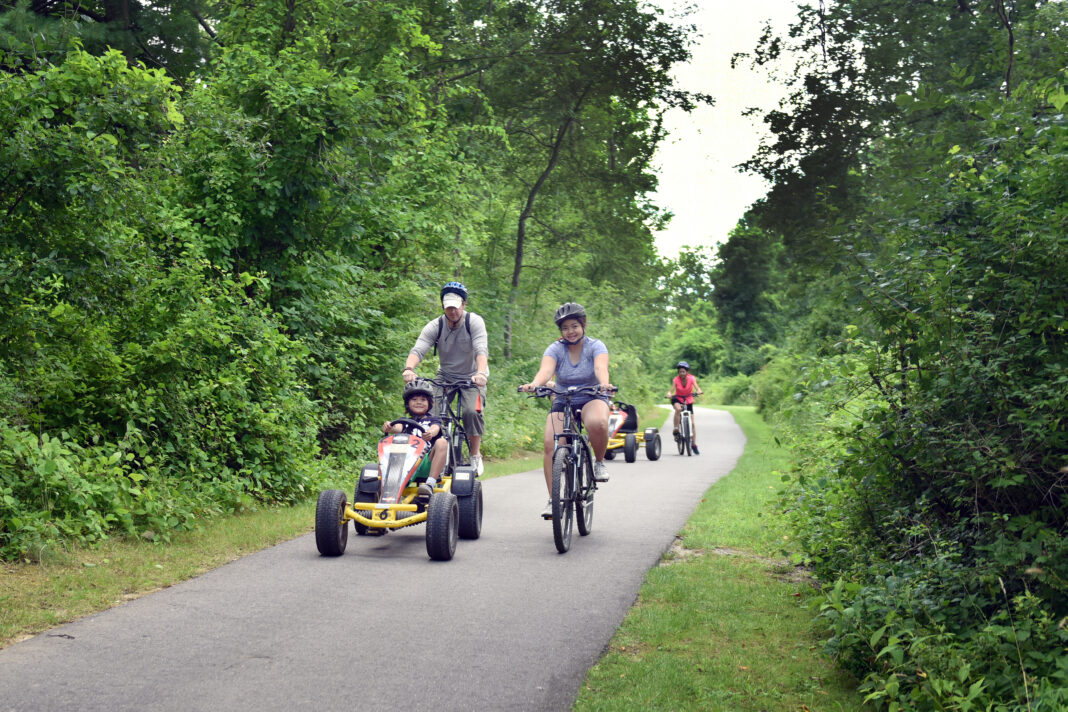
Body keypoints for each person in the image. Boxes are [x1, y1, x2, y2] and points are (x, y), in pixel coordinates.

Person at [519, 303, 613, 519]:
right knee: (550, 443)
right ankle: (553, 500)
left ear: (583, 325)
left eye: (574, 326)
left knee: (597, 423)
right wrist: (535, 383)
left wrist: (604, 384)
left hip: (592, 394)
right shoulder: (555, 348)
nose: (570, 332)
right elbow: (546, 370)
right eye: (565, 328)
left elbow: (601, 368)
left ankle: (598, 463)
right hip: (563, 397)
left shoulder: (596, 346)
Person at [402, 282, 490, 475]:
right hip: (445, 376)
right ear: (443, 306)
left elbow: (481, 349)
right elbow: (419, 348)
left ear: (464, 305)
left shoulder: (474, 322)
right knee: (429, 411)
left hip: (472, 377)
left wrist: (481, 373)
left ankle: (475, 454)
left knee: (471, 412)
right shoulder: (436, 325)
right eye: (448, 306)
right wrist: (409, 368)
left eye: (456, 306)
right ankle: (429, 454)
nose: (452, 311)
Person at [382, 378, 448, 500]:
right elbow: (397, 428)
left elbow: (435, 428)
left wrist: (431, 433)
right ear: (408, 403)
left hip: (425, 463)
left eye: (423, 400)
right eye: (414, 399)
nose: (419, 402)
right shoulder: (404, 422)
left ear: (429, 403)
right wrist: (389, 426)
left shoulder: (434, 420)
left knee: (442, 442)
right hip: (403, 462)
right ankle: (386, 489)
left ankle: (430, 483)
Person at [668, 361, 703, 454]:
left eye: (683, 371)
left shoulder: (691, 378)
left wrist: (699, 391)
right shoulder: (676, 380)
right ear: (678, 372)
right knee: (678, 409)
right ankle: (676, 428)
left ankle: (694, 444)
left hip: (688, 400)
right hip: (677, 399)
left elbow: (697, 388)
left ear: (687, 372)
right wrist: (669, 394)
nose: (682, 373)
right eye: (680, 371)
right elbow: (671, 391)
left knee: (693, 424)